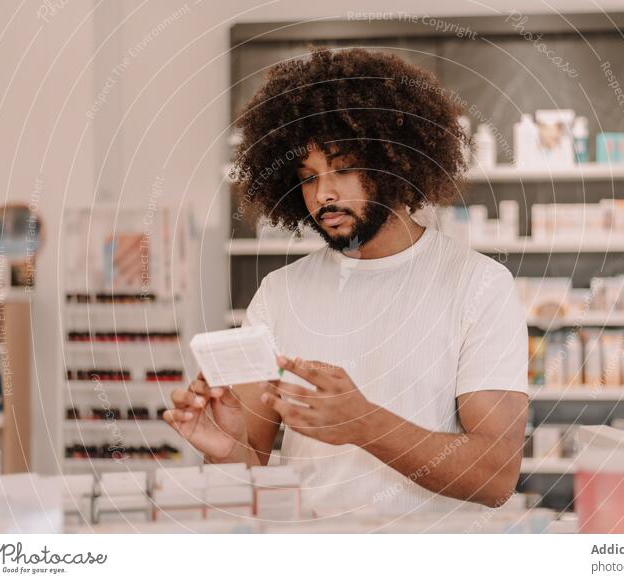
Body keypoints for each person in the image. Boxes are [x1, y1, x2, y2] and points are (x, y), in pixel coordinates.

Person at [164, 47, 529, 515]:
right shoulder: (281, 294)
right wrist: (225, 449)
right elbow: (250, 462)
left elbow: (495, 474)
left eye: (343, 169)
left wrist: (364, 424)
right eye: (308, 177)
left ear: (395, 163)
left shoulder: (478, 286)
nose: (324, 195)